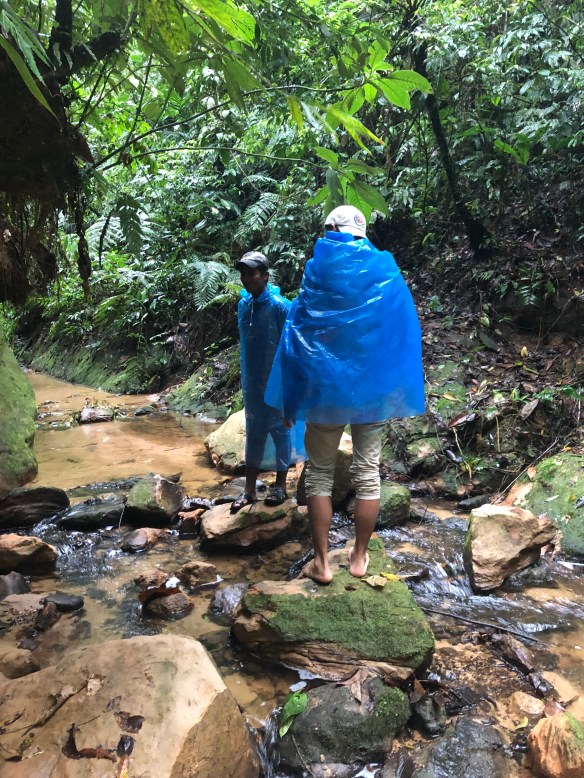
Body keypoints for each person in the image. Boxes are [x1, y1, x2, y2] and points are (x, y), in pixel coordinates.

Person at [265, 205, 425, 582]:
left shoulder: (318, 271)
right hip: (372, 394)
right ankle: (359, 557)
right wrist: (393, 391)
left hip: (324, 393)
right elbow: (401, 334)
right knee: (368, 473)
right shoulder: (385, 272)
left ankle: (322, 563)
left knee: (320, 475)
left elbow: (297, 341)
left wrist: (291, 399)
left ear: (330, 229)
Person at [231, 251, 292, 513]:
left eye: (252, 273)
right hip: (252, 382)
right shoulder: (243, 306)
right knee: (254, 431)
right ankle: (249, 489)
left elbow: (291, 348)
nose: (247, 279)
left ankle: (281, 485)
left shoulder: (280, 306)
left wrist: (289, 385)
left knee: (280, 431)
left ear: (265, 276)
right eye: (244, 274)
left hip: (277, 381)